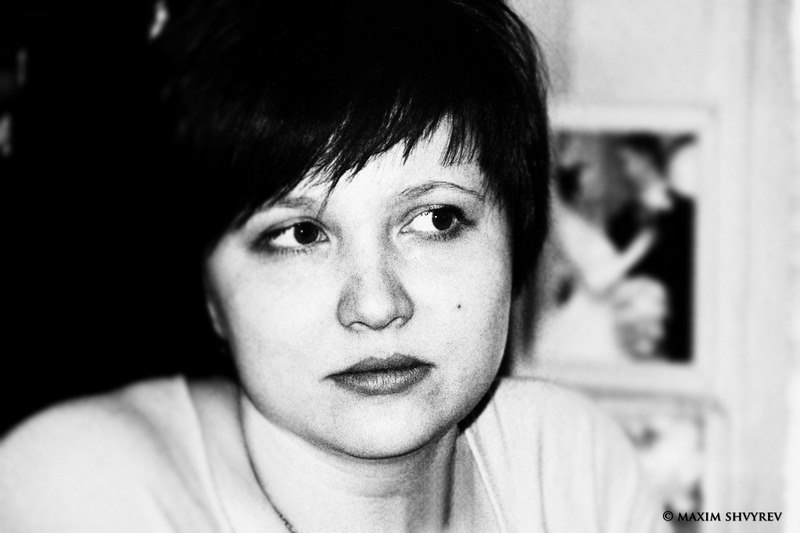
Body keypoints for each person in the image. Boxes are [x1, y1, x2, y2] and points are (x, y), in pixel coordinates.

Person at [0, 1, 665, 531]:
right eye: (300, 233)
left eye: (436, 219)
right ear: (209, 291)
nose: (376, 304)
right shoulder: (85, 487)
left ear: (517, 241)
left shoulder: (572, 468)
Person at [608, 134, 695, 363]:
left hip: (688, 329)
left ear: (645, 158)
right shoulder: (620, 221)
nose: (623, 170)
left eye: (626, 161)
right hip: (642, 336)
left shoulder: (691, 211)